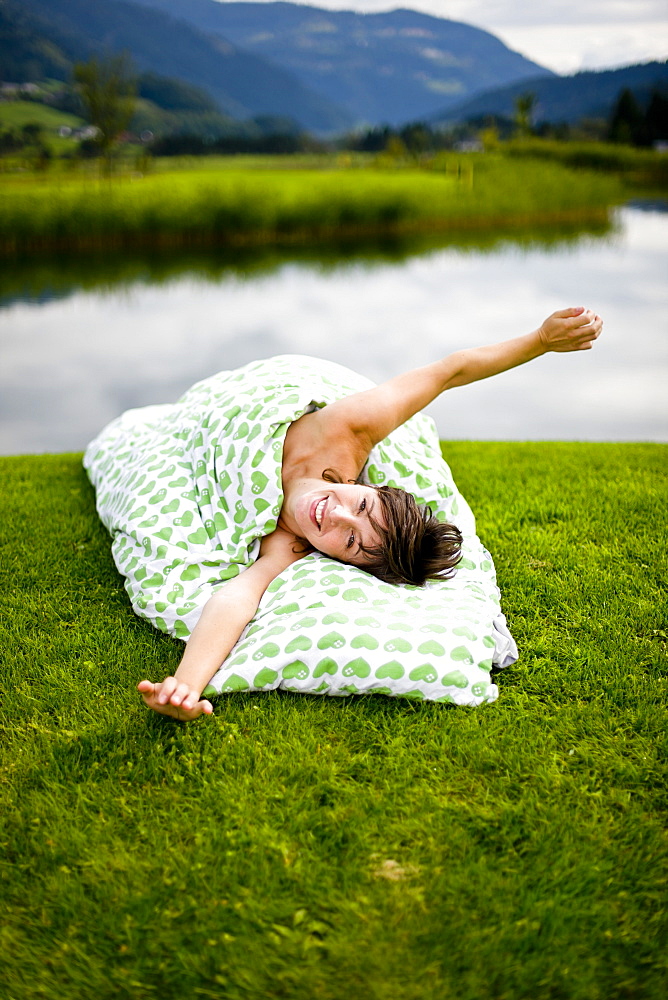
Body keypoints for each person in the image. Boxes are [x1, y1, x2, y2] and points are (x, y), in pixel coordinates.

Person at [137, 306, 602, 720]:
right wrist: (541, 341)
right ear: (361, 486)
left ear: (337, 560)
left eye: (353, 542)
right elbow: (449, 371)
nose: (336, 518)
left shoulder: (289, 540)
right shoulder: (350, 427)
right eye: (361, 506)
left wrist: (185, 686)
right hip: (270, 383)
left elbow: (236, 599)